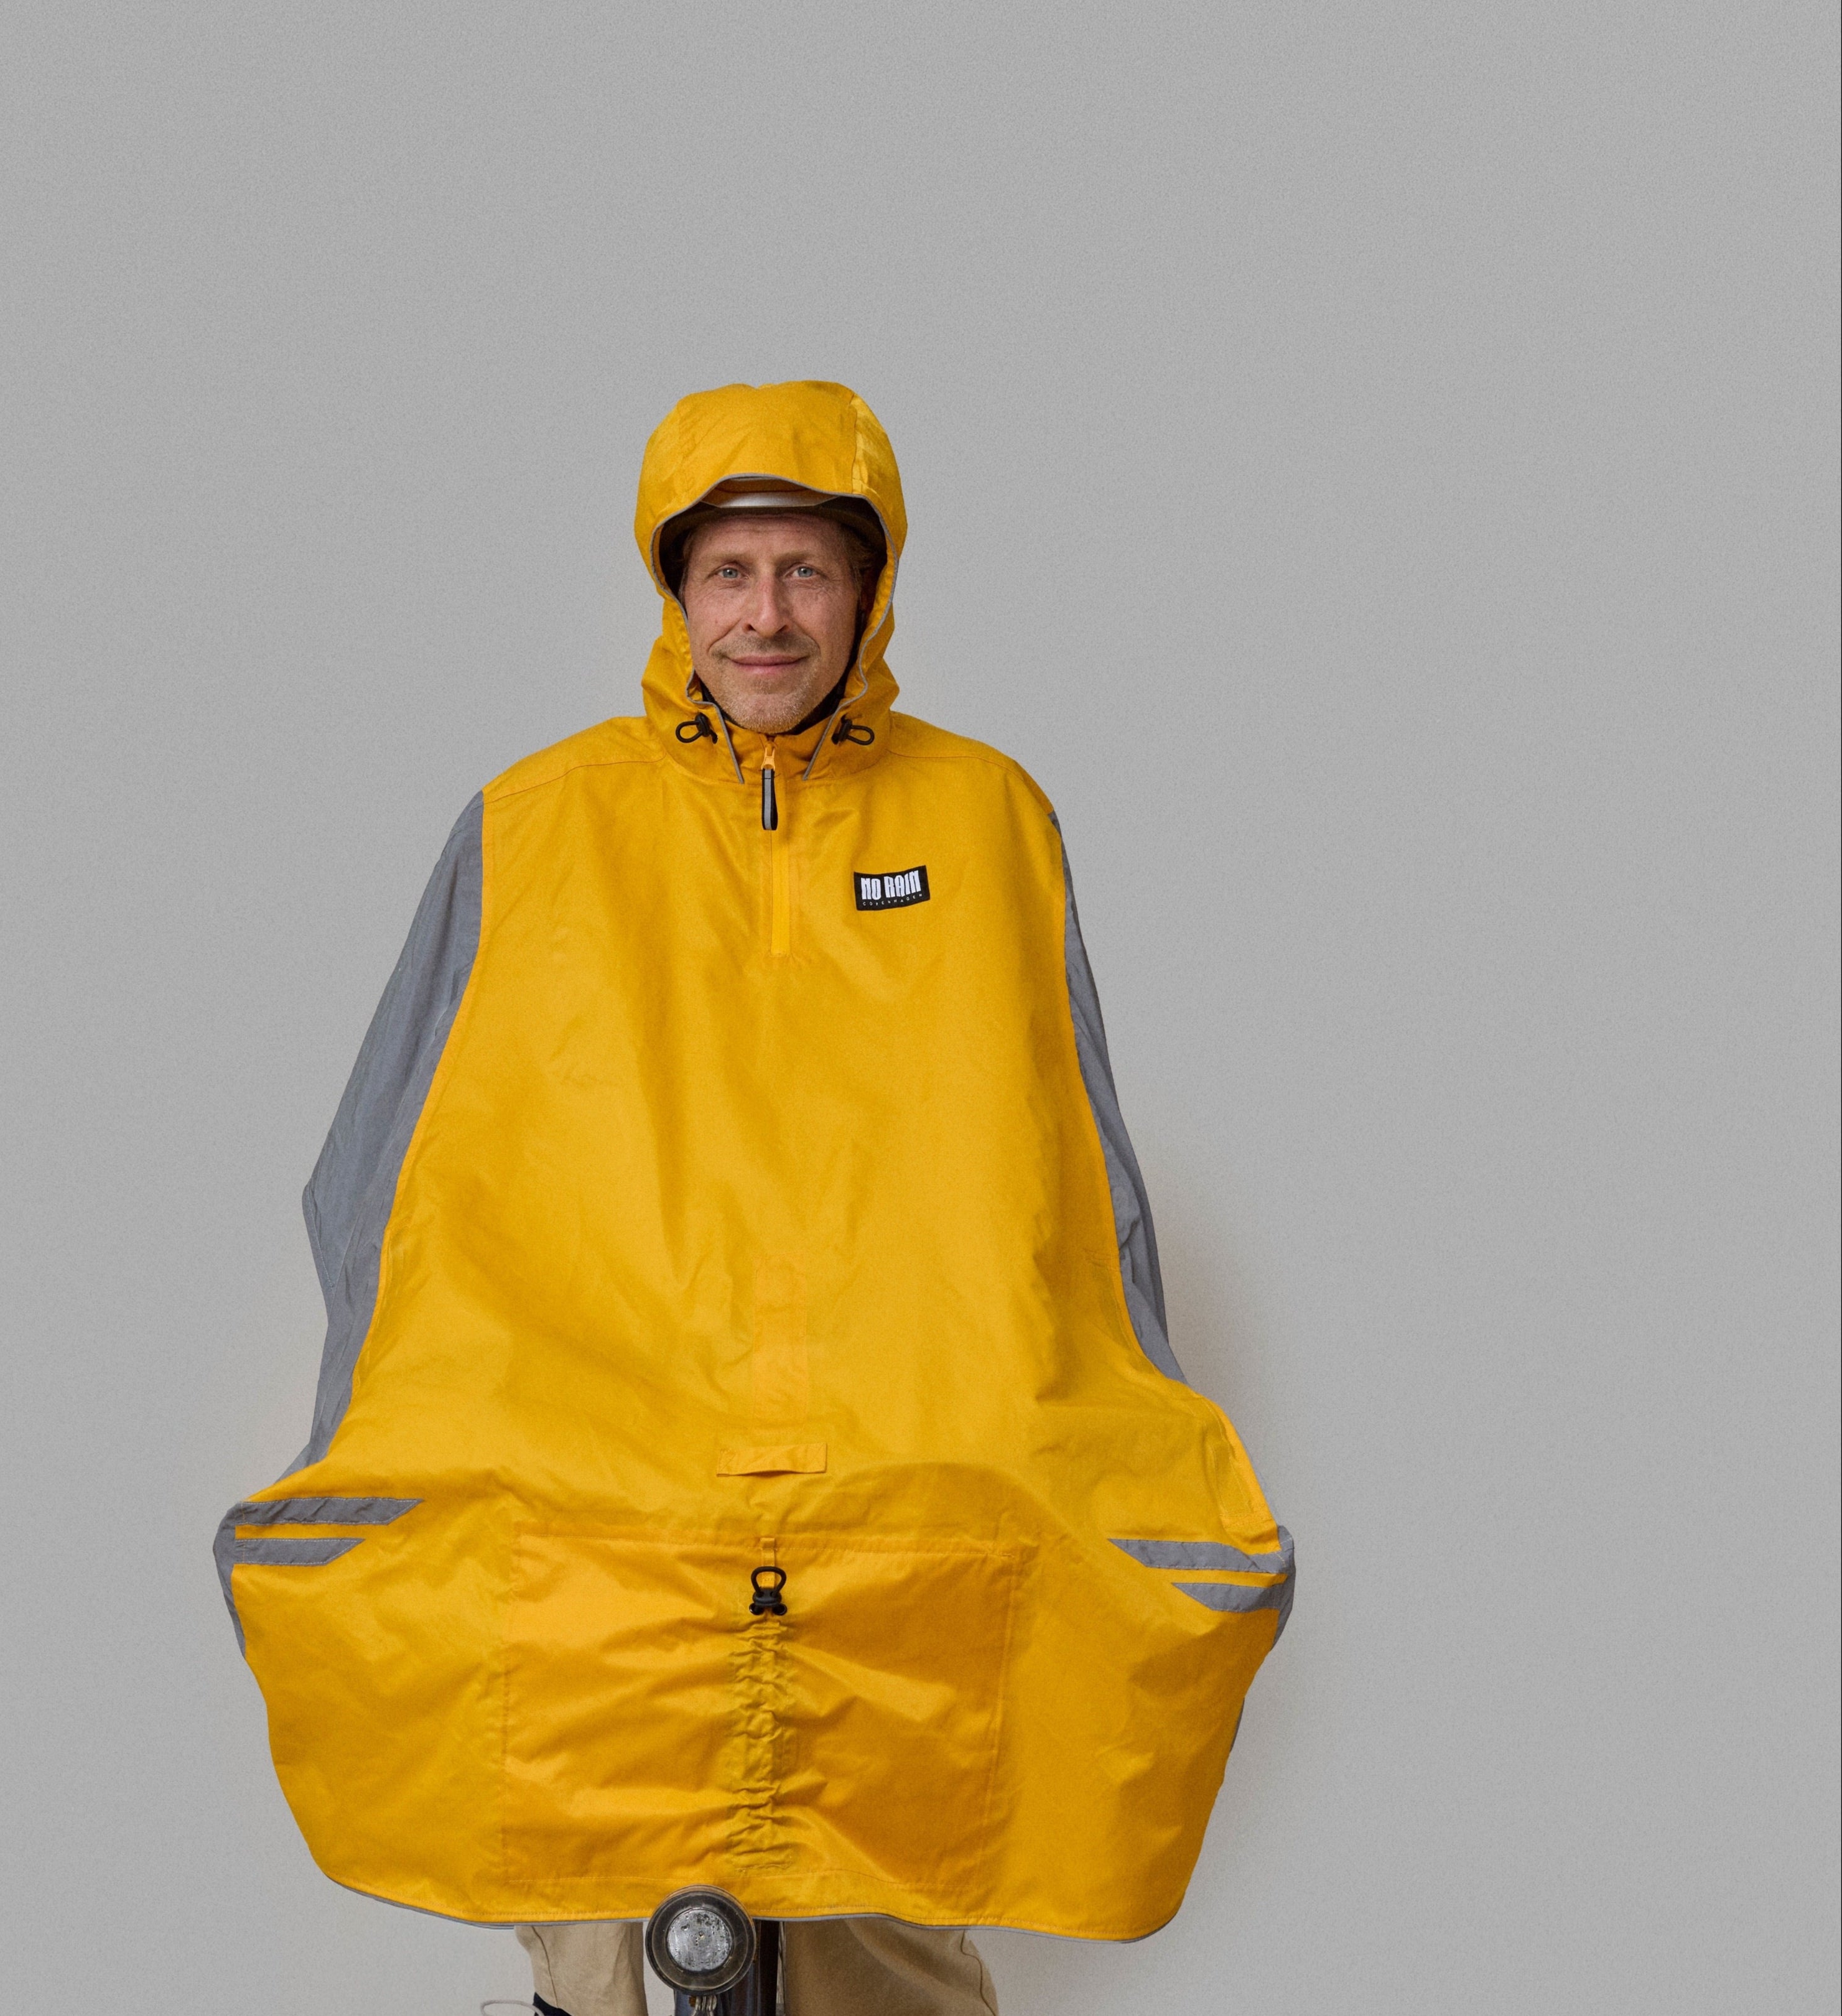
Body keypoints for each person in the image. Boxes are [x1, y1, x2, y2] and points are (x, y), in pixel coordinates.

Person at [215, 383, 1292, 2016]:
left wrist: (1106, 1417)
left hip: (895, 1469)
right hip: (603, 1460)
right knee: (593, 1910)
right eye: (728, 571)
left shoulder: (988, 817)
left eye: (805, 569)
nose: (765, 615)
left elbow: (1073, 1174)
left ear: (869, 588)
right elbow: (390, 1175)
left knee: (886, 1915)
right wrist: (406, 1416)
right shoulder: (533, 822)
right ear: (673, 590)